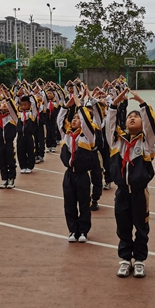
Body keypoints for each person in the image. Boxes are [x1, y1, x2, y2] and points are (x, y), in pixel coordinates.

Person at [106, 88, 155, 278]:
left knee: (141, 227)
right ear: (125, 123)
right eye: (129, 117)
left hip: (139, 192)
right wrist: (114, 104)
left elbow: (151, 126)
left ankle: (140, 260)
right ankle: (125, 260)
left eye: (137, 116)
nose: (133, 118)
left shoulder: (146, 143)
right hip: (121, 193)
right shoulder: (117, 142)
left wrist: (141, 103)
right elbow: (110, 125)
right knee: (123, 226)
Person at [57, 94, 96, 242]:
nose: (74, 120)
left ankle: (83, 231)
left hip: (82, 175)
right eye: (73, 118)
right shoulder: (66, 135)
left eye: (77, 118)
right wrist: (67, 106)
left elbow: (86, 122)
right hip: (69, 175)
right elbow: (59, 120)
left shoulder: (87, 135)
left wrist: (80, 106)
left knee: (84, 203)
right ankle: (73, 230)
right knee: (69, 203)